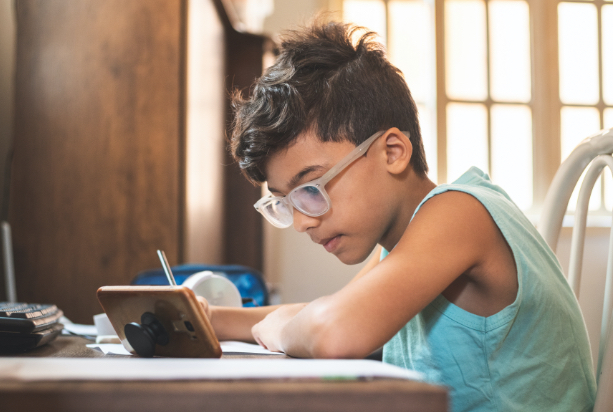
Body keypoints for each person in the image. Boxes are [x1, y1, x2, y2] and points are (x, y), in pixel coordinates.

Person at [200, 20, 596, 411]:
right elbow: (331, 310)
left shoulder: (459, 213)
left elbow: (337, 330)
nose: (302, 221)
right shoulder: (405, 243)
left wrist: (280, 329)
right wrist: (211, 318)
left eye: (310, 188)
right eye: (285, 202)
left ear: (392, 152)